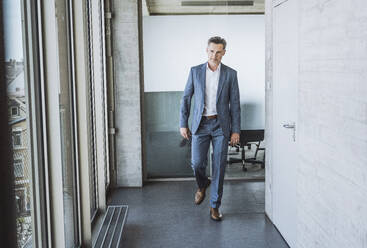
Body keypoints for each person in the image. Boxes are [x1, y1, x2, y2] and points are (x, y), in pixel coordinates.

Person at [180, 36, 241, 221]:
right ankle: (202, 184)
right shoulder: (195, 71)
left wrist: (236, 130)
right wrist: (183, 123)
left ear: (224, 53)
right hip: (200, 124)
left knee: (219, 167)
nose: (215, 55)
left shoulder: (231, 74)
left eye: (218, 52)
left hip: (221, 126)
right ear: (207, 51)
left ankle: (215, 206)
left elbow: (235, 104)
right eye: (212, 51)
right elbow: (186, 98)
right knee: (197, 163)